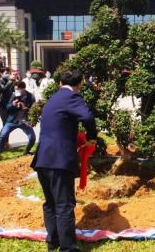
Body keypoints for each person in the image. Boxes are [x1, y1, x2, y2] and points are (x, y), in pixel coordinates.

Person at [31, 70, 97, 252]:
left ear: (59, 83)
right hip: (58, 160)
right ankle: (67, 248)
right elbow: (88, 117)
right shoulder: (72, 97)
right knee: (64, 204)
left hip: (43, 158)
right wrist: (91, 138)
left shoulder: (53, 98)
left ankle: (53, 242)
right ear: (80, 84)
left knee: (50, 202)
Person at [0, 81, 36, 158]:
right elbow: (7, 108)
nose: (16, 91)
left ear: (23, 88)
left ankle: (26, 151)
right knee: (3, 135)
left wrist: (25, 109)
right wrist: (13, 105)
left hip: (24, 121)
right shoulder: (14, 95)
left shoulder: (30, 96)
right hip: (12, 120)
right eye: (15, 89)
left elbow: (34, 109)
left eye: (17, 89)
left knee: (32, 138)